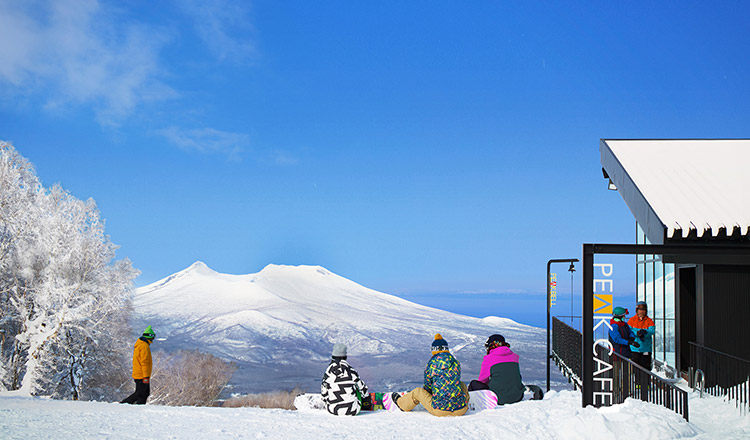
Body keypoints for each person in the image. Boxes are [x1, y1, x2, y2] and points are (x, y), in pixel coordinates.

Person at [391, 334, 469, 417]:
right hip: (461, 409)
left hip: (440, 410)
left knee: (417, 392)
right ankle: (464, 401)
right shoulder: (455, 362)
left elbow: (428, 386)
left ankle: (401, 403)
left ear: (434, 350)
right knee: (461, 384)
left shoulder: (432, 364)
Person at [468, 334, 528, 404]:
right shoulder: (515, 357)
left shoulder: (489, 358)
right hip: (518, 397)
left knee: (474, 384)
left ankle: (471, 403)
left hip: (498, 399)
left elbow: (483, 380)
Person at [321, 343, 369, 415]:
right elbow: (361, 387)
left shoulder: (329, 371)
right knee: (356, 386)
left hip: (333, 410)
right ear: (345, 356)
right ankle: (361, 403)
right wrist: (366, 398)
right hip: (353, 410)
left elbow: (324, 388)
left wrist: (325, 399)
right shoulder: (350, 370)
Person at [121, 325, 155, 404]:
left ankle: (136, 407)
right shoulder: (144, 346)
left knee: (143, 393)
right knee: (141, 393)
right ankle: (124, 404)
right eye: (152, 338)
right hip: (142, 374)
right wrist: (146, 376)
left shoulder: (141, 344)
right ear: (149, 337)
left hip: (139, 373)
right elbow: (144, 362)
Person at [628, 301, 655, 400]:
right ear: (637, 310)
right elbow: (629, 330)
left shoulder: (649, 321)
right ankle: (638, 383)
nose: (641, 312)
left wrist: (645, 332)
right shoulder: (632, 320)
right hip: (635, 348)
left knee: (646, 365)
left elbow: (652, 330)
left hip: (646, 348)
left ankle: (646, 383)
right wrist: (637, 332)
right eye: (640, 310)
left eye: (643, 310)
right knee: (636, 366)